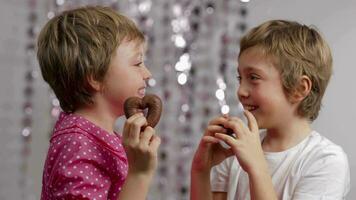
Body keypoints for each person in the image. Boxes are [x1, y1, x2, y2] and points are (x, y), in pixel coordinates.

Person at [190, 20, 350, 200]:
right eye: (240, 77)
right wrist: (200, 170)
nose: (240, 91)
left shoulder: (326, 161)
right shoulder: (236, 150)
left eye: (254, 77)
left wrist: (257, 167)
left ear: (299, 88)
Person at [37, 6, 161, 200]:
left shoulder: (97, 137)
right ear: (95, 76)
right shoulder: (78, 145)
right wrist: (139, 174)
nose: (147, 74)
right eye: (137, 64)